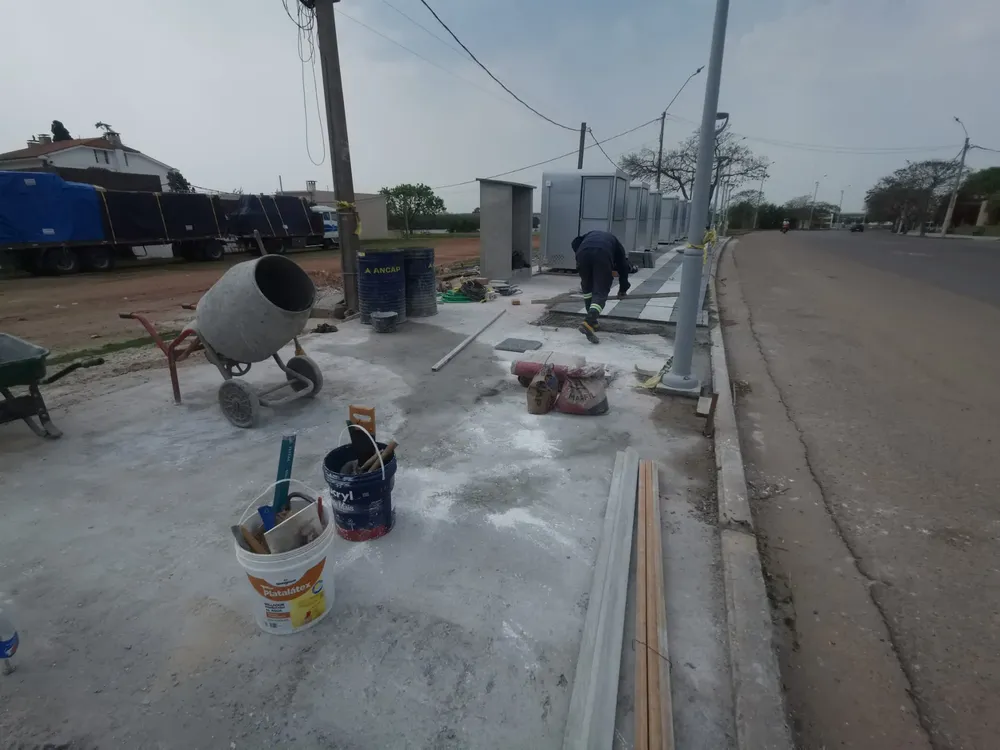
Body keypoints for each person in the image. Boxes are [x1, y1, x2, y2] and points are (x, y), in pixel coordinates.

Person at [571, 230, 631, 344]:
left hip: (582, 253)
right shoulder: (617, 246)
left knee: (587, 289)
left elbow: (575, 242)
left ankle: (593, 321)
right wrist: (623, 289)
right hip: (602, 254)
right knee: (601, 291)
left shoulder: (589, 235)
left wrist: (579, 254)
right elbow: (624, 268)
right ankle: (588, 322)